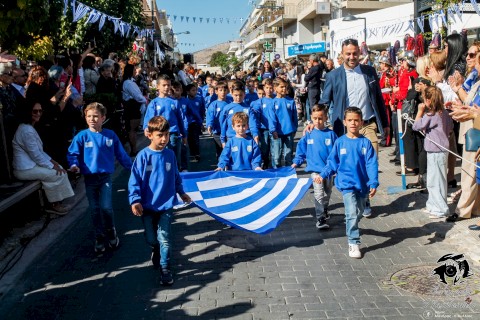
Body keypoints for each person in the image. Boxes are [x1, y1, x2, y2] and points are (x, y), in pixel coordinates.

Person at [128, 116, 192, 286]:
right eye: (160, 135)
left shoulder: (170, 155)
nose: (164, 139)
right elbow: (134, 180)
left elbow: (176, 176)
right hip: (147, 207)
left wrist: (181, 192)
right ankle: (155, 249)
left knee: (164, 238)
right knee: (152, 239)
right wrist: (135, 200)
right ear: (149, 135)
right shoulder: (143, 156)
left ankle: (165, 268)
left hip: (166, 205)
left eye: (167, 135)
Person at [68, 102, 132, 252]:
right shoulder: (81, 136)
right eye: (89, 116)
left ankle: (111, 231)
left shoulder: (110, 135)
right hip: (90, 180)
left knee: (106, 208)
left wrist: (133, 168)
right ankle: (99, 236)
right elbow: (73, 154)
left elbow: (121, 155)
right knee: (94, 209)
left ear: (103, 118)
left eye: (95, 116)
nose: (92, 119)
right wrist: (74, 165)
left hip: (105, 179)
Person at [319, 107, 379, 259]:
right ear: (345, 122)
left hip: (362, 185)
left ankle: (352, 222)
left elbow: (372, 164)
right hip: (346, 184)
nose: (353, 123)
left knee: (358, 213)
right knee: (351, 213)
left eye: (356, 120)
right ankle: (353, 242)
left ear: (361, 122)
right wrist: (323, 174)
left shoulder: (365, 143)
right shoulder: (340, 142)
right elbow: (332, 162)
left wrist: (373, 182)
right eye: (350, 120)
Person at [12, 99, 74, 215]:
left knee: (59, 168)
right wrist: (52, 166)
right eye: (35, 111)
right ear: (28, 112)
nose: (38, 114)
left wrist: (53, 162)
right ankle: (53, 205)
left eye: (40, 111)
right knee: (56, 173)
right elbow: (36, 155)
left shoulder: (28, 128)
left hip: (31, 165)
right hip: (24, 169)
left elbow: (39, 153)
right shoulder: (26, 130)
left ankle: (57, 201)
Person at [291, 104, 338, 230]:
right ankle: (320, 218)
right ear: (311, 117)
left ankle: (325, 208)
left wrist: (338, 168)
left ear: (326, 117)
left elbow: (336, 153)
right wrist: (296, 162)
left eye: (321, 118)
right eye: (315, 118)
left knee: (327, 193)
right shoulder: (308, 134)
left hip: (328, 171)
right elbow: (301, 150)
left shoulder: (331, 134)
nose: (318, 121)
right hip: (315, 171)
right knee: (318, 193)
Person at [412, 86, 453, 219]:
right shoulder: (445, 113)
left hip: (437, 151)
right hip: (438, 151)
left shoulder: (431, 115)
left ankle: (441, 209)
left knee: (437, 181)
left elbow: (416, 126)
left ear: (428, 100)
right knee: (432, 180)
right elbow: (450, 127)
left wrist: (420, 111)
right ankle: (432, 205)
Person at [143, 74, 187, 167]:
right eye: (164, 85)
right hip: (158, 134)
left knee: (173, 157)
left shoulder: (174, 102)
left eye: (168, 85)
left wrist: (184, 134)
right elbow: (149, 118)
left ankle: (175, 175)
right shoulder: (154, 103)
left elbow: (180, 119)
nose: (166, 87)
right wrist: (146, 128)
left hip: (173, 134)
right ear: (158, 86)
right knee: (160, 156)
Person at [268, 77, 298, 168]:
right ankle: (276, 174)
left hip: (289, 132)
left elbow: (294, 116)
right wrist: (273, 130)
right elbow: (271, 118)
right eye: (281, 87)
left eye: (285, 87)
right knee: (276, 156)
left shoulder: (291, 101)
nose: (284, 89)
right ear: (275, 88)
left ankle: (289, 174)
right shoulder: (273, 102)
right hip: (277, 133)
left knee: (288, 155)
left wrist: (295, 128)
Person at [219, 81, 259, 147]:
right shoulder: (227, 108)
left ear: (244, 94)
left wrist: (255, 134)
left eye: (241, 95)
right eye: (236, 95)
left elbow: (252, 123)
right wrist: (223, 140)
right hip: (231, 137)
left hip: (246, 137)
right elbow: (223, 125)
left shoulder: (248, 109)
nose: (238, 97)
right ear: (231, 93)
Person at [122, 64, 147, 157]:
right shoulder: (128, 83)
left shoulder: (130, 82)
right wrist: (145, 100)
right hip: (132, 107)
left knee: (134, 130)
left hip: (133, 106)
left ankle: (134, 148)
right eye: (134, 70)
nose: (135, 71)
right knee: (132, 129)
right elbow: (137, 95)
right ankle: (133, 149)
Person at [206, 80, 229, 159]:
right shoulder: (214, 104)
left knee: (228, 150)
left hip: (228, 132)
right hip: (218, 132)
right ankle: (221, 166)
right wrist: (210, 125)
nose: (223, 92)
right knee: (221, 150)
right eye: (220, 90)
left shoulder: (230, 103)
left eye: (225, 90)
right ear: (216, 91)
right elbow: (210, 116)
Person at [185, 83, 205, 162]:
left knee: (196, 138)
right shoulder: (185, 101)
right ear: (188, 92)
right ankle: (192, 153)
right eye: (193, 90)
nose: (195, 92)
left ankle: (197, 154)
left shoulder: (200, 99)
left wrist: (201, 121)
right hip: (188, 122)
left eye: (196, 90)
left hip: (196, 122)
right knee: (190, 139)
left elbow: (202, 110)